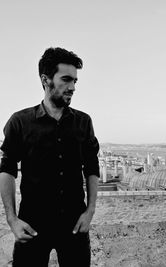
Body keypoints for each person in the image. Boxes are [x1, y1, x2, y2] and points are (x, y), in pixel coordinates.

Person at [0, 47, 100, 267]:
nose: (73, 87)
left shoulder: (83, 122)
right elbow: (6, 169)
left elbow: (92, 167)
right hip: (32, 226)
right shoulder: (20, 122)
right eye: (66, 80)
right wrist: (12, 220)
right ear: (46, 80)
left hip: (75, 225)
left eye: (75, 81)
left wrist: (90, 211)